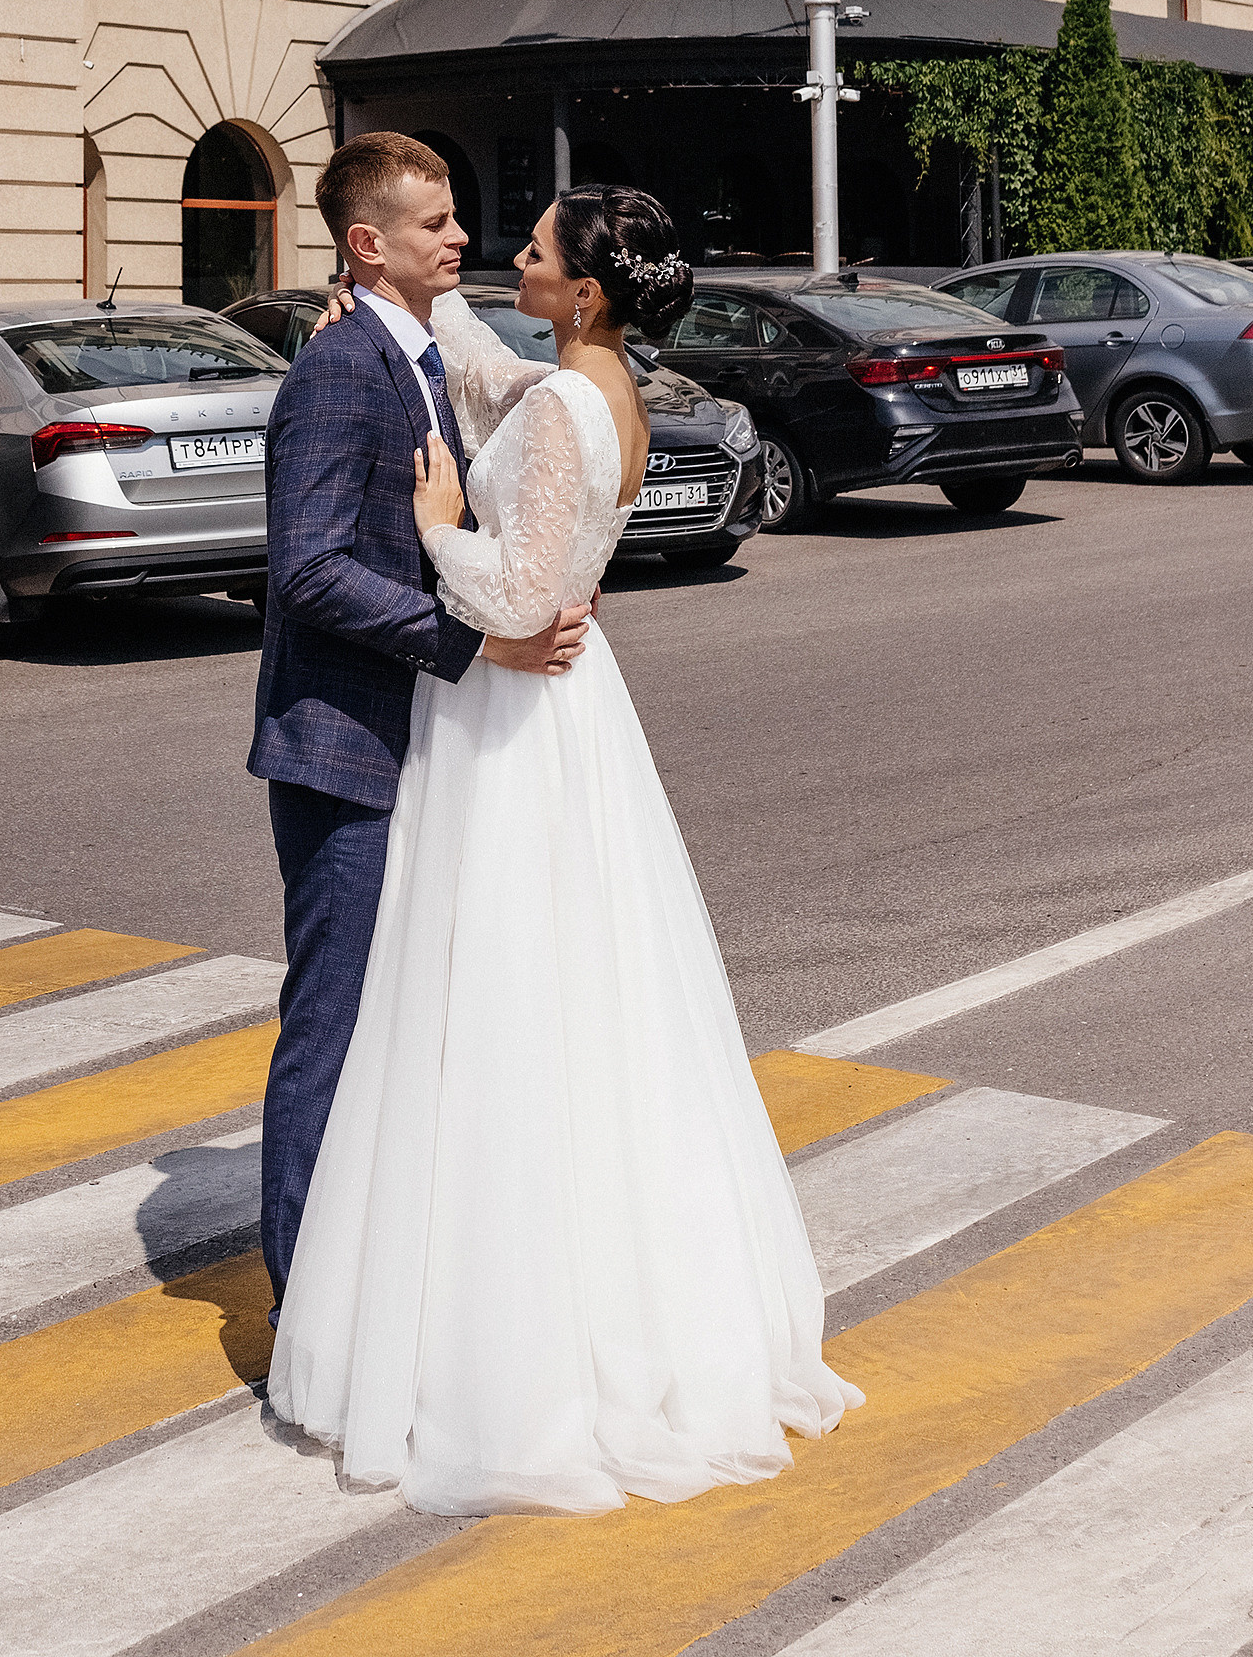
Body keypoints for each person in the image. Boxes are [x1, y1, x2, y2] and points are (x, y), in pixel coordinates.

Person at [267, 179, 862, 1516]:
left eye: (529, 251)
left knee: (500, 1013)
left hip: (519, 711)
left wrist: (433, 532)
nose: (502, 259)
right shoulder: (600, 392)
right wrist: (399, 306)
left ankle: (500, 1346)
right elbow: (485, 372)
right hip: (575, 720)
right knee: (589, 1014)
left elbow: (525, 595)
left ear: (582, 291)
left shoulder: (559, 408)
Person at [250, 133, 594, 1319]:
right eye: (434, 224)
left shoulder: (405, 348)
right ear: (366, 245)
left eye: (458, 218)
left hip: (408, 745)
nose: (460, 237)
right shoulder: (344, 369)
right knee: (332, 1023)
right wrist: (473, 643)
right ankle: (302, 1299)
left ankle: (361, 1276)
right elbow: (309, 571)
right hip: (342, 745)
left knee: (389, 1023)